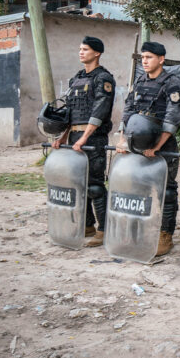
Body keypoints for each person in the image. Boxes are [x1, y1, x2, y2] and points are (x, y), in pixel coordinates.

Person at [117, 41, 180, 256]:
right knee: (138, 187)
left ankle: (165, 236)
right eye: (143, 57)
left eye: (149, 57)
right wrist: (122, 139)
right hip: (137, 144)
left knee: (166, 191)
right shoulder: (140, 80)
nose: (144, 61)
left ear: (161, 59)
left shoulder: (172, 82)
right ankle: (141, 231)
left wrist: (156, 146)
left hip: (162, 145)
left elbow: (173, 118)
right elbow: (128, 110)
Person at [51, 36, 115, 247]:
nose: (81, 52)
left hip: (93, 138)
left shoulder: (103, 78)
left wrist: (85, 137)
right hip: (74, 137)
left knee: (95, 185)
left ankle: (103, 230)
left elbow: (100, 110)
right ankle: (87, 225)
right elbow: (70, 111)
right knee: (79, 182)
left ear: (97, 53)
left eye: (85, 49)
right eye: (80, 49)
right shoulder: (76, 79)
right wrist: (61, 137)